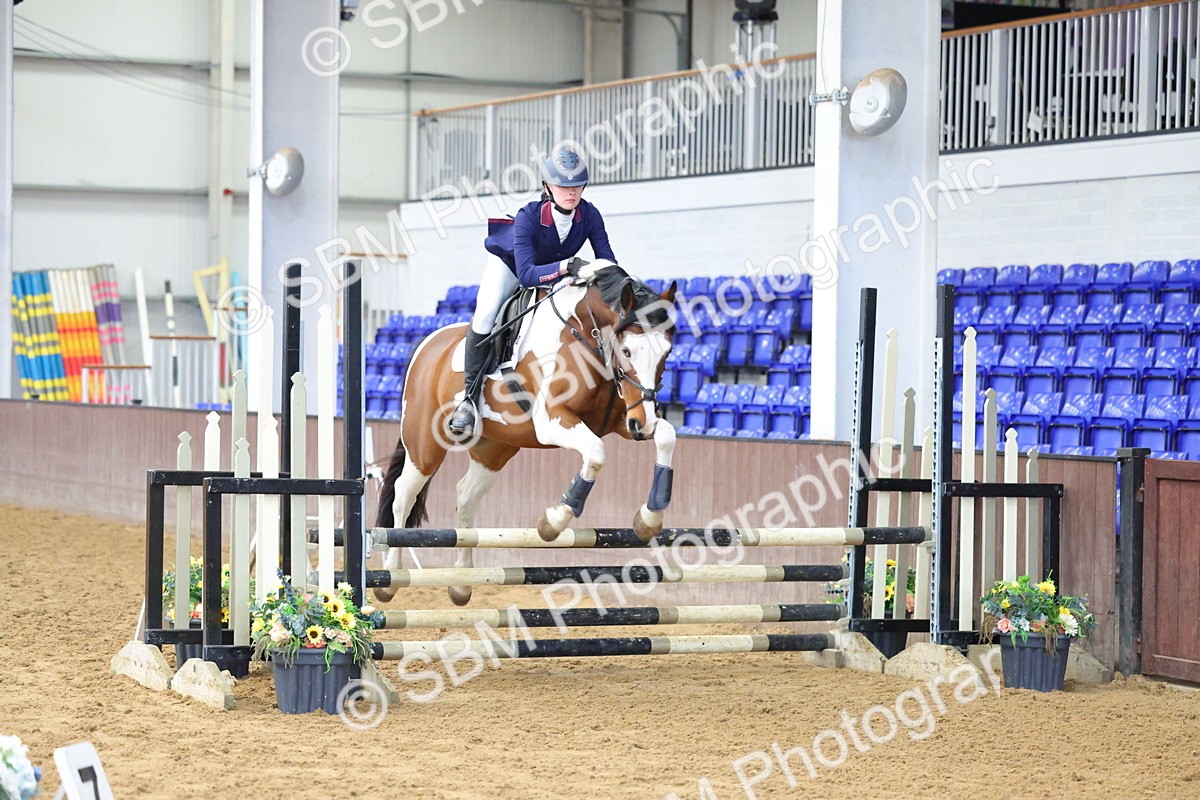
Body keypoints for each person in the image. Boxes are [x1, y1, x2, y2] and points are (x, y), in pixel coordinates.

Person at [447, 148, 617, 436]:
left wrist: (616, 281)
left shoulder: (589, 215)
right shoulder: (529, 217)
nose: (571, 192)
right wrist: (567, 266)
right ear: (547, 187)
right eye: (563, 185)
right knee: (486, 313)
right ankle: (468, 400)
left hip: (555, 270)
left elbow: (607, 260)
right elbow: (527, 275)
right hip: (512, 266)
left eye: (576, 185)